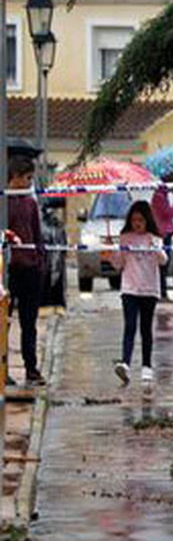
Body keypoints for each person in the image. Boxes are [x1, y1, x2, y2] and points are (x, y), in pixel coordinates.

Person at [108, 202, 168, 385]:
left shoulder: (155, 238)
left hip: (149, 289)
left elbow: (163, 261)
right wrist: (113, 250)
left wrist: (156, 247)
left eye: (140, 220)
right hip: (130, 289)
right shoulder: (125, 238)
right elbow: (118, 264)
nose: (137, 224)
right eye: (134, 220)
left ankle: (146, 366)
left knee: (146, 328)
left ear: (147, 220)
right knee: (130, 326)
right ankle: (125, 363)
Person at [6, 155, 46, 386]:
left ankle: (31, 367)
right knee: (5, 321)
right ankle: (5, 369)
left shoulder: (30, 203)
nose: (31, 183)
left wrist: (39, 259)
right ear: (16, 177)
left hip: (30, 268)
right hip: (9, 269)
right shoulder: (5, 200)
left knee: (28, 322)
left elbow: (36, 233)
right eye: (28, 178)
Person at [150, 184, 173, 303]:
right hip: (162, 233)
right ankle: (161, 293)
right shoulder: (159, 197)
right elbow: (168, 213)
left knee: (164, 265)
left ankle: (162, 292)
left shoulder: (164, 196)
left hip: (167, 232)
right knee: (162, 265)